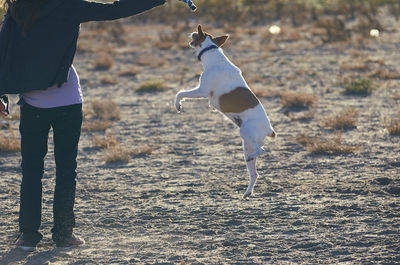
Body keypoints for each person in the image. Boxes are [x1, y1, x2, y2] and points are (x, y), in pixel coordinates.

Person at [0, 0, 167, 251]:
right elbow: (116, 10)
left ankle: (29, 235)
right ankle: (63, 234)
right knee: (66, 171)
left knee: (32, 171)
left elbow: (2, 53)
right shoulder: (68, 6)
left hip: (33, 105)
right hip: (68, 102)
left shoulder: (18, 9)